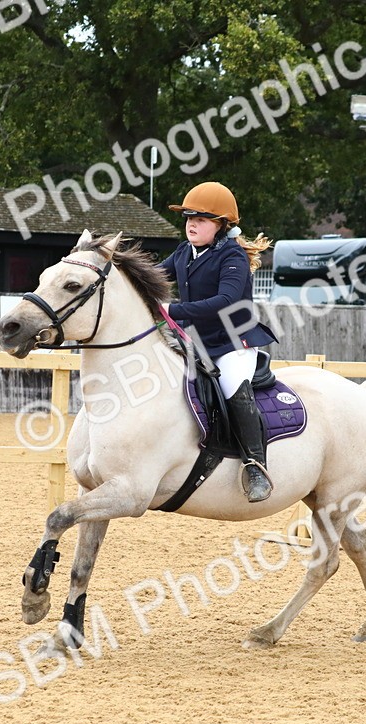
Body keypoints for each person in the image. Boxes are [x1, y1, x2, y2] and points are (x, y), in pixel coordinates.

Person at [158, 181, 277, 502]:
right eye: (188, 218)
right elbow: (153, 277)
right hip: (193, 340)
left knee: (232, 387)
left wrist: (173, 309)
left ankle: (256, 466)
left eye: (202, 219)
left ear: (222, 225)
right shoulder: (184, 251)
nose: (192, 224)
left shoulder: (232, 256)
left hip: (231, 343)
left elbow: (225, 300)